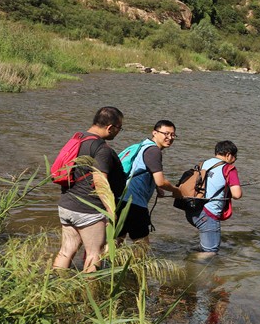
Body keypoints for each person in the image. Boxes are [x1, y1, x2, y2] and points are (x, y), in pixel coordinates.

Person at [53, 107, 127, 273]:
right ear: (110, 127)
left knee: (66, 251)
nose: (118, 132)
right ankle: (89, 295)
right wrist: (111, 210)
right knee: (95, 254)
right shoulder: (102, 149)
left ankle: (54, 286)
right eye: (119, 128)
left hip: (67, 205)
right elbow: (100, 182)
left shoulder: (78, 139)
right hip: (88, 210)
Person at [117, 120, 183, 249]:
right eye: (166, 133)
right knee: (142, 246)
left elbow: (141, 169)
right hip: (134, 203)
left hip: (121, 199)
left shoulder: (144, 145)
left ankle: (106, 266)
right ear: (155, 132)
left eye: (173, 135)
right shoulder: (154, 151)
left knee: (116, 239)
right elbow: (161, 180)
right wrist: (175, 190)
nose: (169, 138)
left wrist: (157, 188)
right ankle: (135, 269)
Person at [192, 141, 242, 256]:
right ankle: (195, 269)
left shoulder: (203, 163)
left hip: (193, 210)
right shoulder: (229, 168)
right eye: (235, 157)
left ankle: (192, 259)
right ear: (229, 155)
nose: (234, 160)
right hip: (208, 215)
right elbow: (237, 194)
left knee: (205, 247)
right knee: (210, 253)